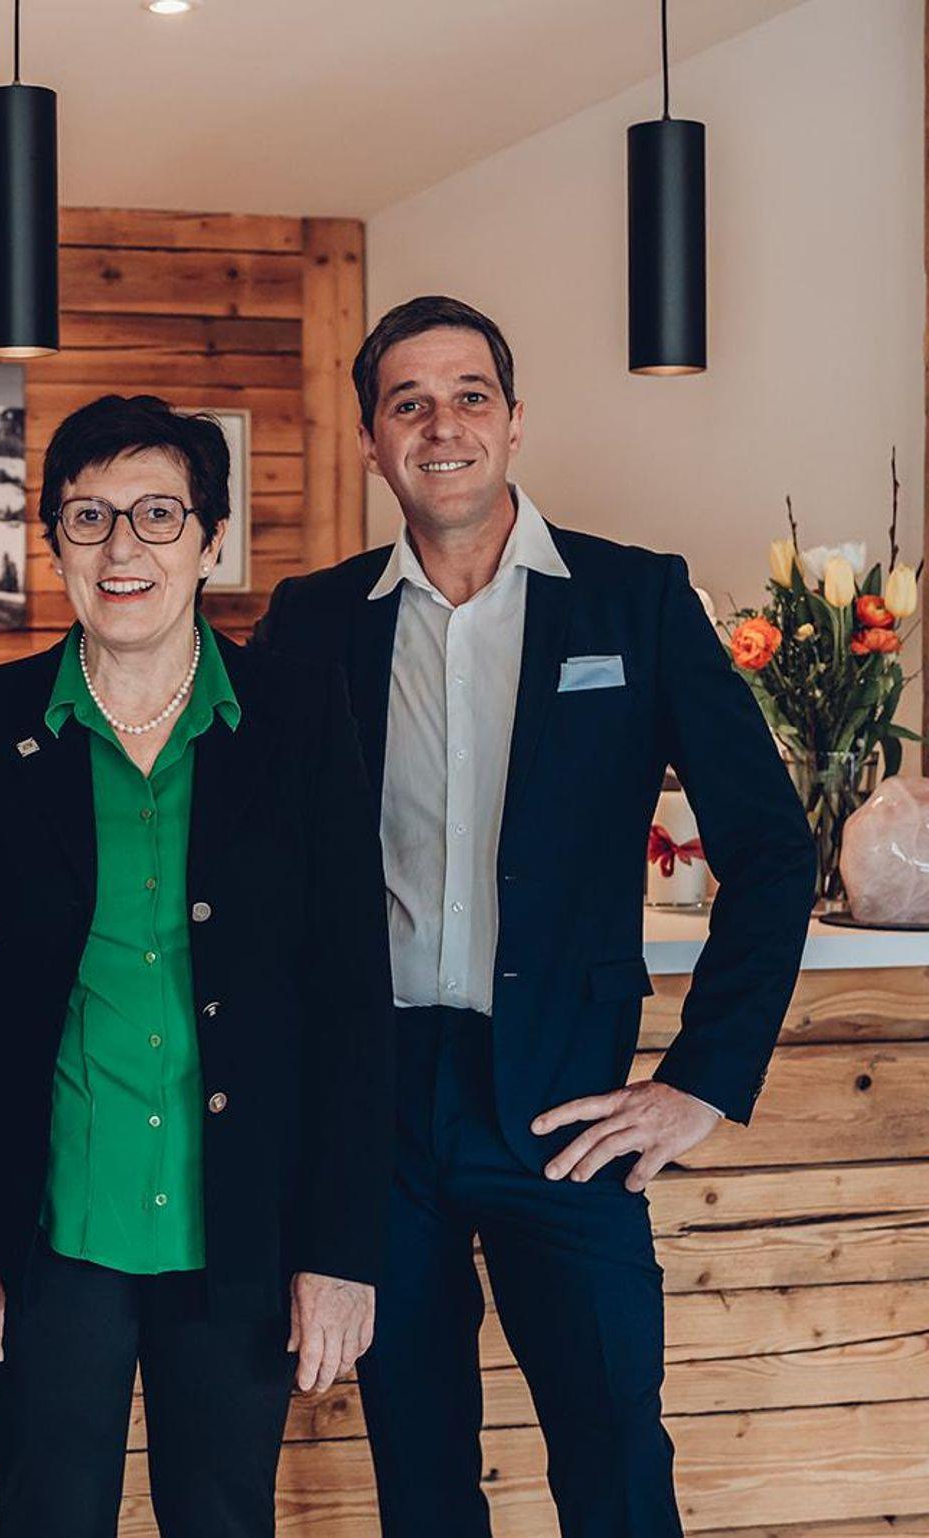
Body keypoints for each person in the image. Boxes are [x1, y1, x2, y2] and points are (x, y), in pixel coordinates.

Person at [254, 295, 816, 1535]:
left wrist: (701, 1081)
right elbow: (248, 863)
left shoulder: (634, 600)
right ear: (370, 441)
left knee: (614, 1465)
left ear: (512, 422)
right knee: (418, 1476)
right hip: (374, 1109)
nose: (439, 425)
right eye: (406, 403)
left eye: (467, 396)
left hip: (566, 1106)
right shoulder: (311, 622)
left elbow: (773, 853)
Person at [0, 394, 395, 1536]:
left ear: (210, 540)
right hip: (50, 1235)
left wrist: (341, 1251)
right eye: (88, 517)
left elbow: (350, 994)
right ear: (56, 543)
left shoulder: (296, 714)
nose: (121, 546)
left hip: (240, 1228)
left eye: (157, 514)